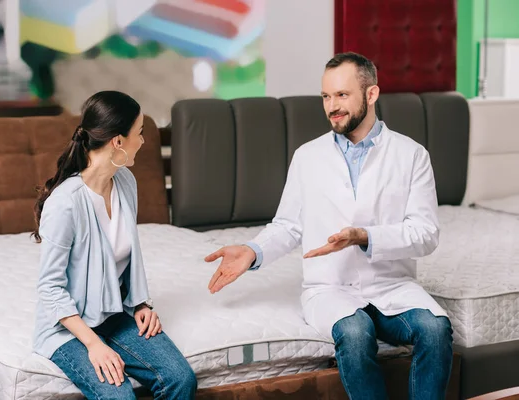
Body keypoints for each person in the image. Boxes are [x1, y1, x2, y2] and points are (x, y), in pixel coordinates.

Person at [204, 53, 453, 399]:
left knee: (436, 329)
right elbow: (288, 225)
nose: (332, 106)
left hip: (391, 285)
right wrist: (253, 251)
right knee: (354, 333)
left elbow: (425, 234)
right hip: (330, 287)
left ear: (371, 94)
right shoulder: (308, 157)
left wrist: (365, 236)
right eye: (326, 96)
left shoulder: (411, 155)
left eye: (342, 95)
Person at [32, 91, 197, 399]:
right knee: (119, 396)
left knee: (180, 378)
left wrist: (140, 304)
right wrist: (93, 345)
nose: (144, 141)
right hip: (66, 328)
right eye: (140, 133)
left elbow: (126, 259)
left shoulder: (125, 183)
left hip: (112, 315)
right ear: (117, 142)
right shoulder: (65, 204)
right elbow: (50, 288)